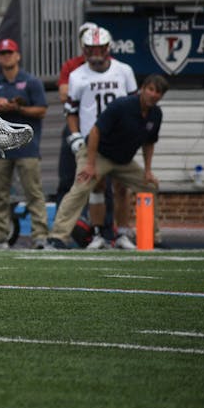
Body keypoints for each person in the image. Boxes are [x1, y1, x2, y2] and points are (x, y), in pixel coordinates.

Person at [47, 74, 168, 250]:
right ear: (142, 89)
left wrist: (148, 170)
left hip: (122, 161)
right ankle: (58, 237)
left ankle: (152, 238)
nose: (153, 94)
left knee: (150, 186)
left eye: (158, 92)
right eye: (151, 89)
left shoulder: (156, 114)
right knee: (82, 185)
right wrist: (90, 164)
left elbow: (149, 142)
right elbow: (95, 131)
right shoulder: (122, 105)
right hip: (98, 154)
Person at [65, 27, 138, 250]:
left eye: (99, 48)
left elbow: (135, 105)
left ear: (107, 48)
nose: (95, 53)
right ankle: (97, 233)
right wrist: (76, 135)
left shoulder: (123, 70)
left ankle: (123, 233)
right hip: (92, 139)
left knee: (122, 187)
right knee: (95, 186)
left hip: (120, 138)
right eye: (91, 49)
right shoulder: (77, 75)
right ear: (84, 50)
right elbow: (71, 110)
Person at [0, 38, 49, 249]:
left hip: (27, 146)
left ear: (17, 56)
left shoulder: (31, 82)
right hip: (0, 147)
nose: (6, 56)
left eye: (10, 53)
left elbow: (42, 110)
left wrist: (18, 109)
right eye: (3, 53)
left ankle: (40, 236)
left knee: (33, 192)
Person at [55, 21, 97, 207]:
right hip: (76, 124)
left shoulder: (108, 65)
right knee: (67, 175)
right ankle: (61, 224)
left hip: (99, 125)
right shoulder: (72, 65)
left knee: (101, 178)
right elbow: (65, 95)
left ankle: (101, 224)